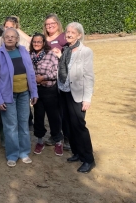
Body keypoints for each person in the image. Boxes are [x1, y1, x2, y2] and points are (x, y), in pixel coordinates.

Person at [0, 28, 38, 167]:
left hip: (24, 93)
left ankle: (24, 152)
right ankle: (12, 155)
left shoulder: (23, 50)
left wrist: (34, 92)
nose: (10, 38)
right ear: (3, 39)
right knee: (10, 126)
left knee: (23, 124)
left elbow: (31, 73)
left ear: (17, 39)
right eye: (7, 36)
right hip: (8, 96)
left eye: (13, 36)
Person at [53, 22, 95, 173]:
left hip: (77, 94)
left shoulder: (85, 52)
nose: (69, 34)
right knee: (69, 125)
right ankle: (77, 153)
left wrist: (87, 98)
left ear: (79, 35)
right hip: (64, 92)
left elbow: (89, 76)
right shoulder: (66, 50)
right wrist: (59, 57)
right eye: (67, 32)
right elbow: (65, 69)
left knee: (79, 126)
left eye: (72, 32)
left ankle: (88, 159)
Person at [29, 33, 63, 156]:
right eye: (34, 42)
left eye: (39, 42)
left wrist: (43, 77)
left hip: (50, 91)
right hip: (36, 91)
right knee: (38, 116)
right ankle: (39, 141)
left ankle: (58, 141)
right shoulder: (29, 56)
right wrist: (34, 80)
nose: (36, 44)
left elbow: (56, 73)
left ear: (44, 43)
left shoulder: (51, 55)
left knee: (54, 116)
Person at [43, 13, 70, 150]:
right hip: (48, 80)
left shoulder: (64, 37)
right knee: (52, 110)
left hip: (62, 78)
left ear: (57, 23)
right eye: (47, 24)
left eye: (52, 23)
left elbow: (72, 51)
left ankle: (67, 138)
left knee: (64, 109)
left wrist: (61, 53)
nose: (50, 26)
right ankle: (55, 135)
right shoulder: (44, 39)